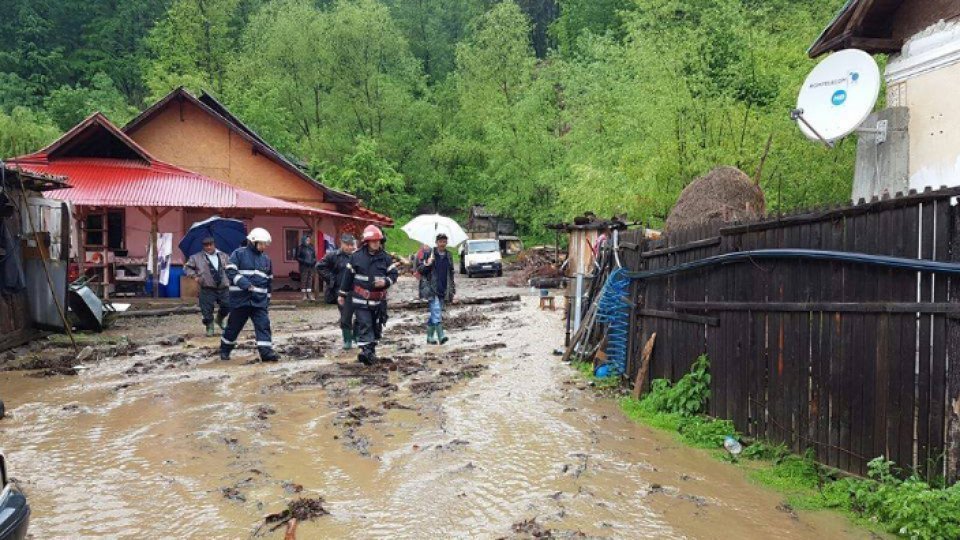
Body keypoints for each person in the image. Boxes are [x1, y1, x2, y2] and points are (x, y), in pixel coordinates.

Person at [339, 225, 398, 365]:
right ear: (367, 241)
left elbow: (394, 274)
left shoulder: (386, 258)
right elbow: (347, 277)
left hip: (378, 302)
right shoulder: (356, 257)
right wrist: (342, 294)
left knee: (376, 326)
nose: (376, 243)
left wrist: (385, 281)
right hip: (360, 301)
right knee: (365, 324)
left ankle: (370, 351)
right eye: (373, 241)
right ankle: (366, 351)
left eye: (378, 241)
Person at [220, 227, 279, 362]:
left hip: (259, 302)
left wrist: (267, 300)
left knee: (263, 326)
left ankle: (266, 353)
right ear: (253, 241)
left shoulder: (266, 259)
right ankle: (225, 349)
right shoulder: (238, 254)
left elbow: (269, 281)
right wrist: (244, 283)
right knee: (233, 327)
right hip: (241, 301)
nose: (264, 247)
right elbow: (230, 271)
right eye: (262, 244)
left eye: (266, 244)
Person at [183, 237, 231, 336]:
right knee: (206, 309)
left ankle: (220, 319)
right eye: (206, 245)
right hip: (207, 287)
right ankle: (210, 326)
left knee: (227, 305)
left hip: (223, 286)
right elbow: (187, 267)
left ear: (214, 244)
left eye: (210, 244)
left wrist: (229, 270)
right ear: (203, 246)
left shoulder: (224, 256)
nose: (209, 247)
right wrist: (194, 276)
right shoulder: (196, 257)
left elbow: (232, 267)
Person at [317, 233, 357, 349]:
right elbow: (320, 267)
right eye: (348, 245)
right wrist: (331, 279)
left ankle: (357, 336)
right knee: (345, 315)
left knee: (361, 314)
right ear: (342, 244)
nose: (350, 247)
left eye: (352, 245)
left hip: (356, 289)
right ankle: (347, 340)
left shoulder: (357, 256)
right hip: (340, 291)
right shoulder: (333, 256)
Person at [418, 232, 456, 345]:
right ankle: (441, 336)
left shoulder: (449, 255)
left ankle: (429, 337)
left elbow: (451, 273)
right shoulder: (429, 254)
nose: (442, 244)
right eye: (440, 241)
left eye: (444, 241)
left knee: (435, 313)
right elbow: (420, 270)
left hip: (443, 288)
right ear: (436, 242)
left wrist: (452, 289)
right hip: (431, 289)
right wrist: (427, 264)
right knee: (436, 312)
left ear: (446, 242)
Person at [295, 233, 318, 301]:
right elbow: (297, 257)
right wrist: (304, 261)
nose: (308, 241)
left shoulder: (311, 247)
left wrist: (314, 261)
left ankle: (309, 293)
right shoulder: (300, 247)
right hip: (304, 266)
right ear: (303, 240)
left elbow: (314, 256)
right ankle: (304, 294)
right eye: (307, 240)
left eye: (309, 240)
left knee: (310, 279)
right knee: (304, 279)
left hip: (311, 266)